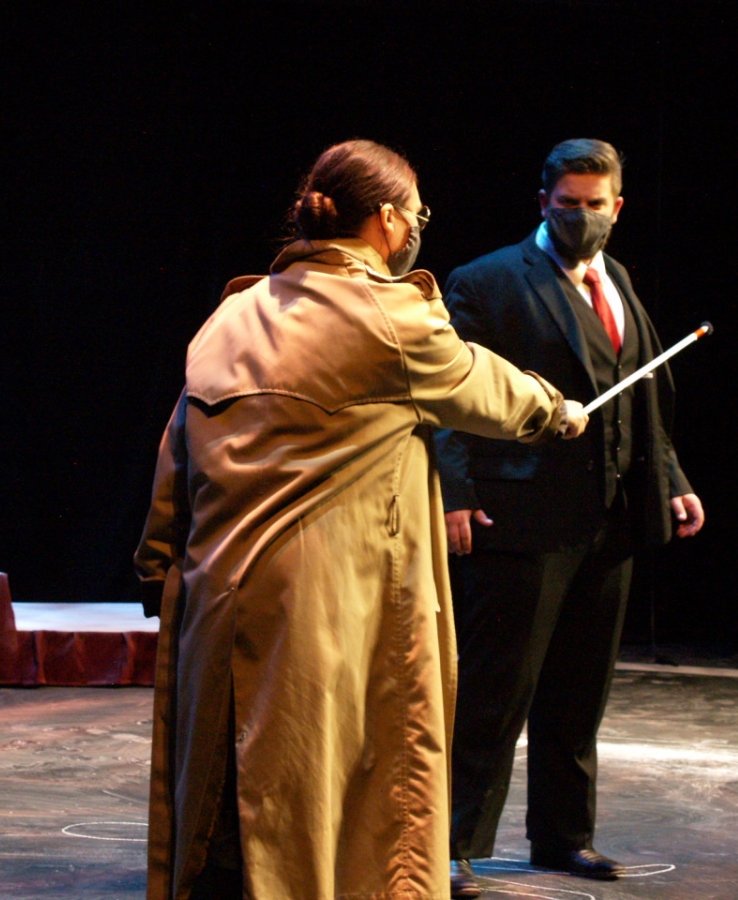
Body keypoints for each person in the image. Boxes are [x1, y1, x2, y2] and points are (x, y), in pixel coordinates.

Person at [134, 139, 588, 900]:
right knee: (319, 807)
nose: (416, 229)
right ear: (387, 220)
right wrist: (558, 410)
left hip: (217, 602)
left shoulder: (231, 314)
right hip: (327, 615)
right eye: (416, 216)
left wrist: (157, 565)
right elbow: (486, 388)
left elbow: (176, 456)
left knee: (223, 805)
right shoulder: (390, 317)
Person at [434, 138, 705, 897]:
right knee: (495, 693)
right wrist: (454, 492)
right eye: (567, 205)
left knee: (579, 692)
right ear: (543, 203)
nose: (581, 217)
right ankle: (450, 846)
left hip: (607, 521)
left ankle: (563, 837)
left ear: (617, 207)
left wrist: (670, 479)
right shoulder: (488, 280)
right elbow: (445, 394)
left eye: (595, 206)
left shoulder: (617, 280)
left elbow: (640, 391)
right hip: (517, 518)